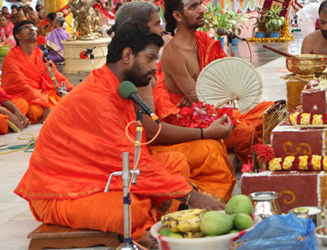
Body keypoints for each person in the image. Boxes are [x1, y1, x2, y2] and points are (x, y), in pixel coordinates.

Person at [15, 26, 224, 249]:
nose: (155, 67)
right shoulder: (99, 97)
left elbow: (134, 158)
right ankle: (144, 227)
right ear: (127, 56)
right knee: (128, 209)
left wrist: (176, 191)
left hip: (100, 175)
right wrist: (191, 197)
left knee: (175, 163)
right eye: (150, 59)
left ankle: (152, 221)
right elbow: (130, 163)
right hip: (62, 191)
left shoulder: (115, 86)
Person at [113, 1, 236, 201]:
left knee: (214, 141)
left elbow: (157, 108)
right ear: (140, 30)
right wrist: (204, 132)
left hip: (159, 133)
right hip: (143, 149)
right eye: (157, 24)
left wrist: (177, 109)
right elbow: (152, 132)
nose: (163, 29)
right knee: (210, 149)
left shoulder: (145, 59)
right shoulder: (134, 66)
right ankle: (209, 206)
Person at [153, 0, 269, 164]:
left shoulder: (202, 39)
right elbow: (200, 100)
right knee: (246, 132)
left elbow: (224, 80)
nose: (202, 10)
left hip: (212, 108)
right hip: (192, 120)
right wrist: (201, 97)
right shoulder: (173, 53)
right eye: (193, 7)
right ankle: (253, 162)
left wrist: (204, 95)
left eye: (200, 4)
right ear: (177, 16)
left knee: (270, 110)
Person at [1, 20, 73, 123]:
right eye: (26, 28)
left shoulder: (40, 53)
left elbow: (54, 75)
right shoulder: (11, 59)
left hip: (44, 94)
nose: (32, 29)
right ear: (18, 36)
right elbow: (21, 86)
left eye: (33, 28)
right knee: (35, 112)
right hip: (27, 98)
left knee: (68, 101)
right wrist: (44, 103)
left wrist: (70, 89)